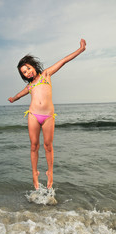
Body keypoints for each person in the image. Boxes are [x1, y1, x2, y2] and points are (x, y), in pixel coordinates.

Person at [8, 39, 86, 190]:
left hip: (49, 116)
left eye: (28, 69)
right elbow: (20, 94)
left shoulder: (46, 75)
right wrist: (13, 98)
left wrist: (80, 49)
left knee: (48, 146)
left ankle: (50, 172)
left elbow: (63, 61)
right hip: (33, 116)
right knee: (34, 146)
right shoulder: (29, 86)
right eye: (24, 72)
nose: (28, 73)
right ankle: (34, 173)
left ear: (33, 66)